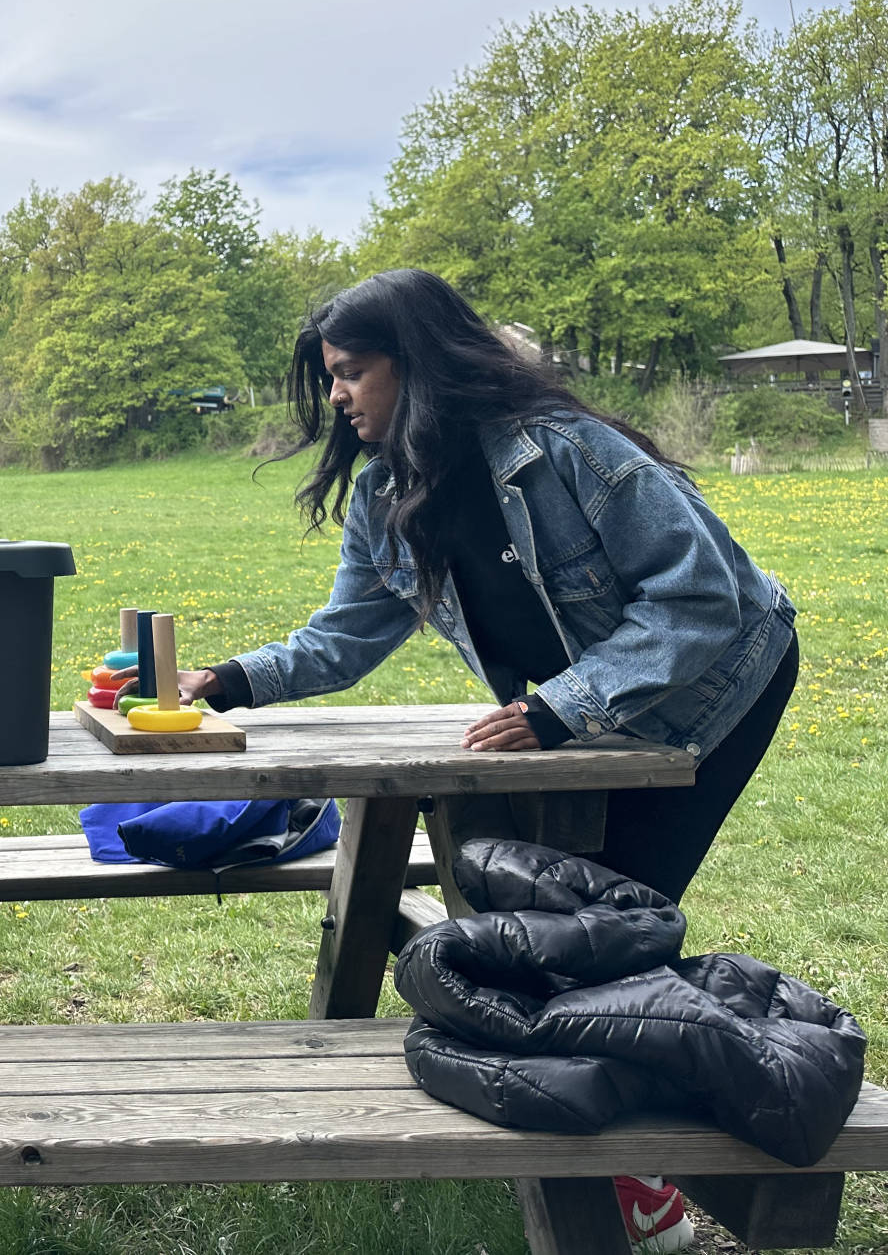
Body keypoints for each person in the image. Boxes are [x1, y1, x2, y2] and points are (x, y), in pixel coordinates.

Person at [178, 269, 797, 1254]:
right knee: (562, 931)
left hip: (718, 684)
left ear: (415, 364)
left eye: (351, 372)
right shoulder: (389, 492)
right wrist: (228, 681)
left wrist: (560, 708)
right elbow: (346, 634)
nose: (336, 397)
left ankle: (670, 1166)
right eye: (330, 376)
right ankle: (625, 1147)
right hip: (582, 710)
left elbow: (700, 600)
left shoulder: (568, 452)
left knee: (604, 931)